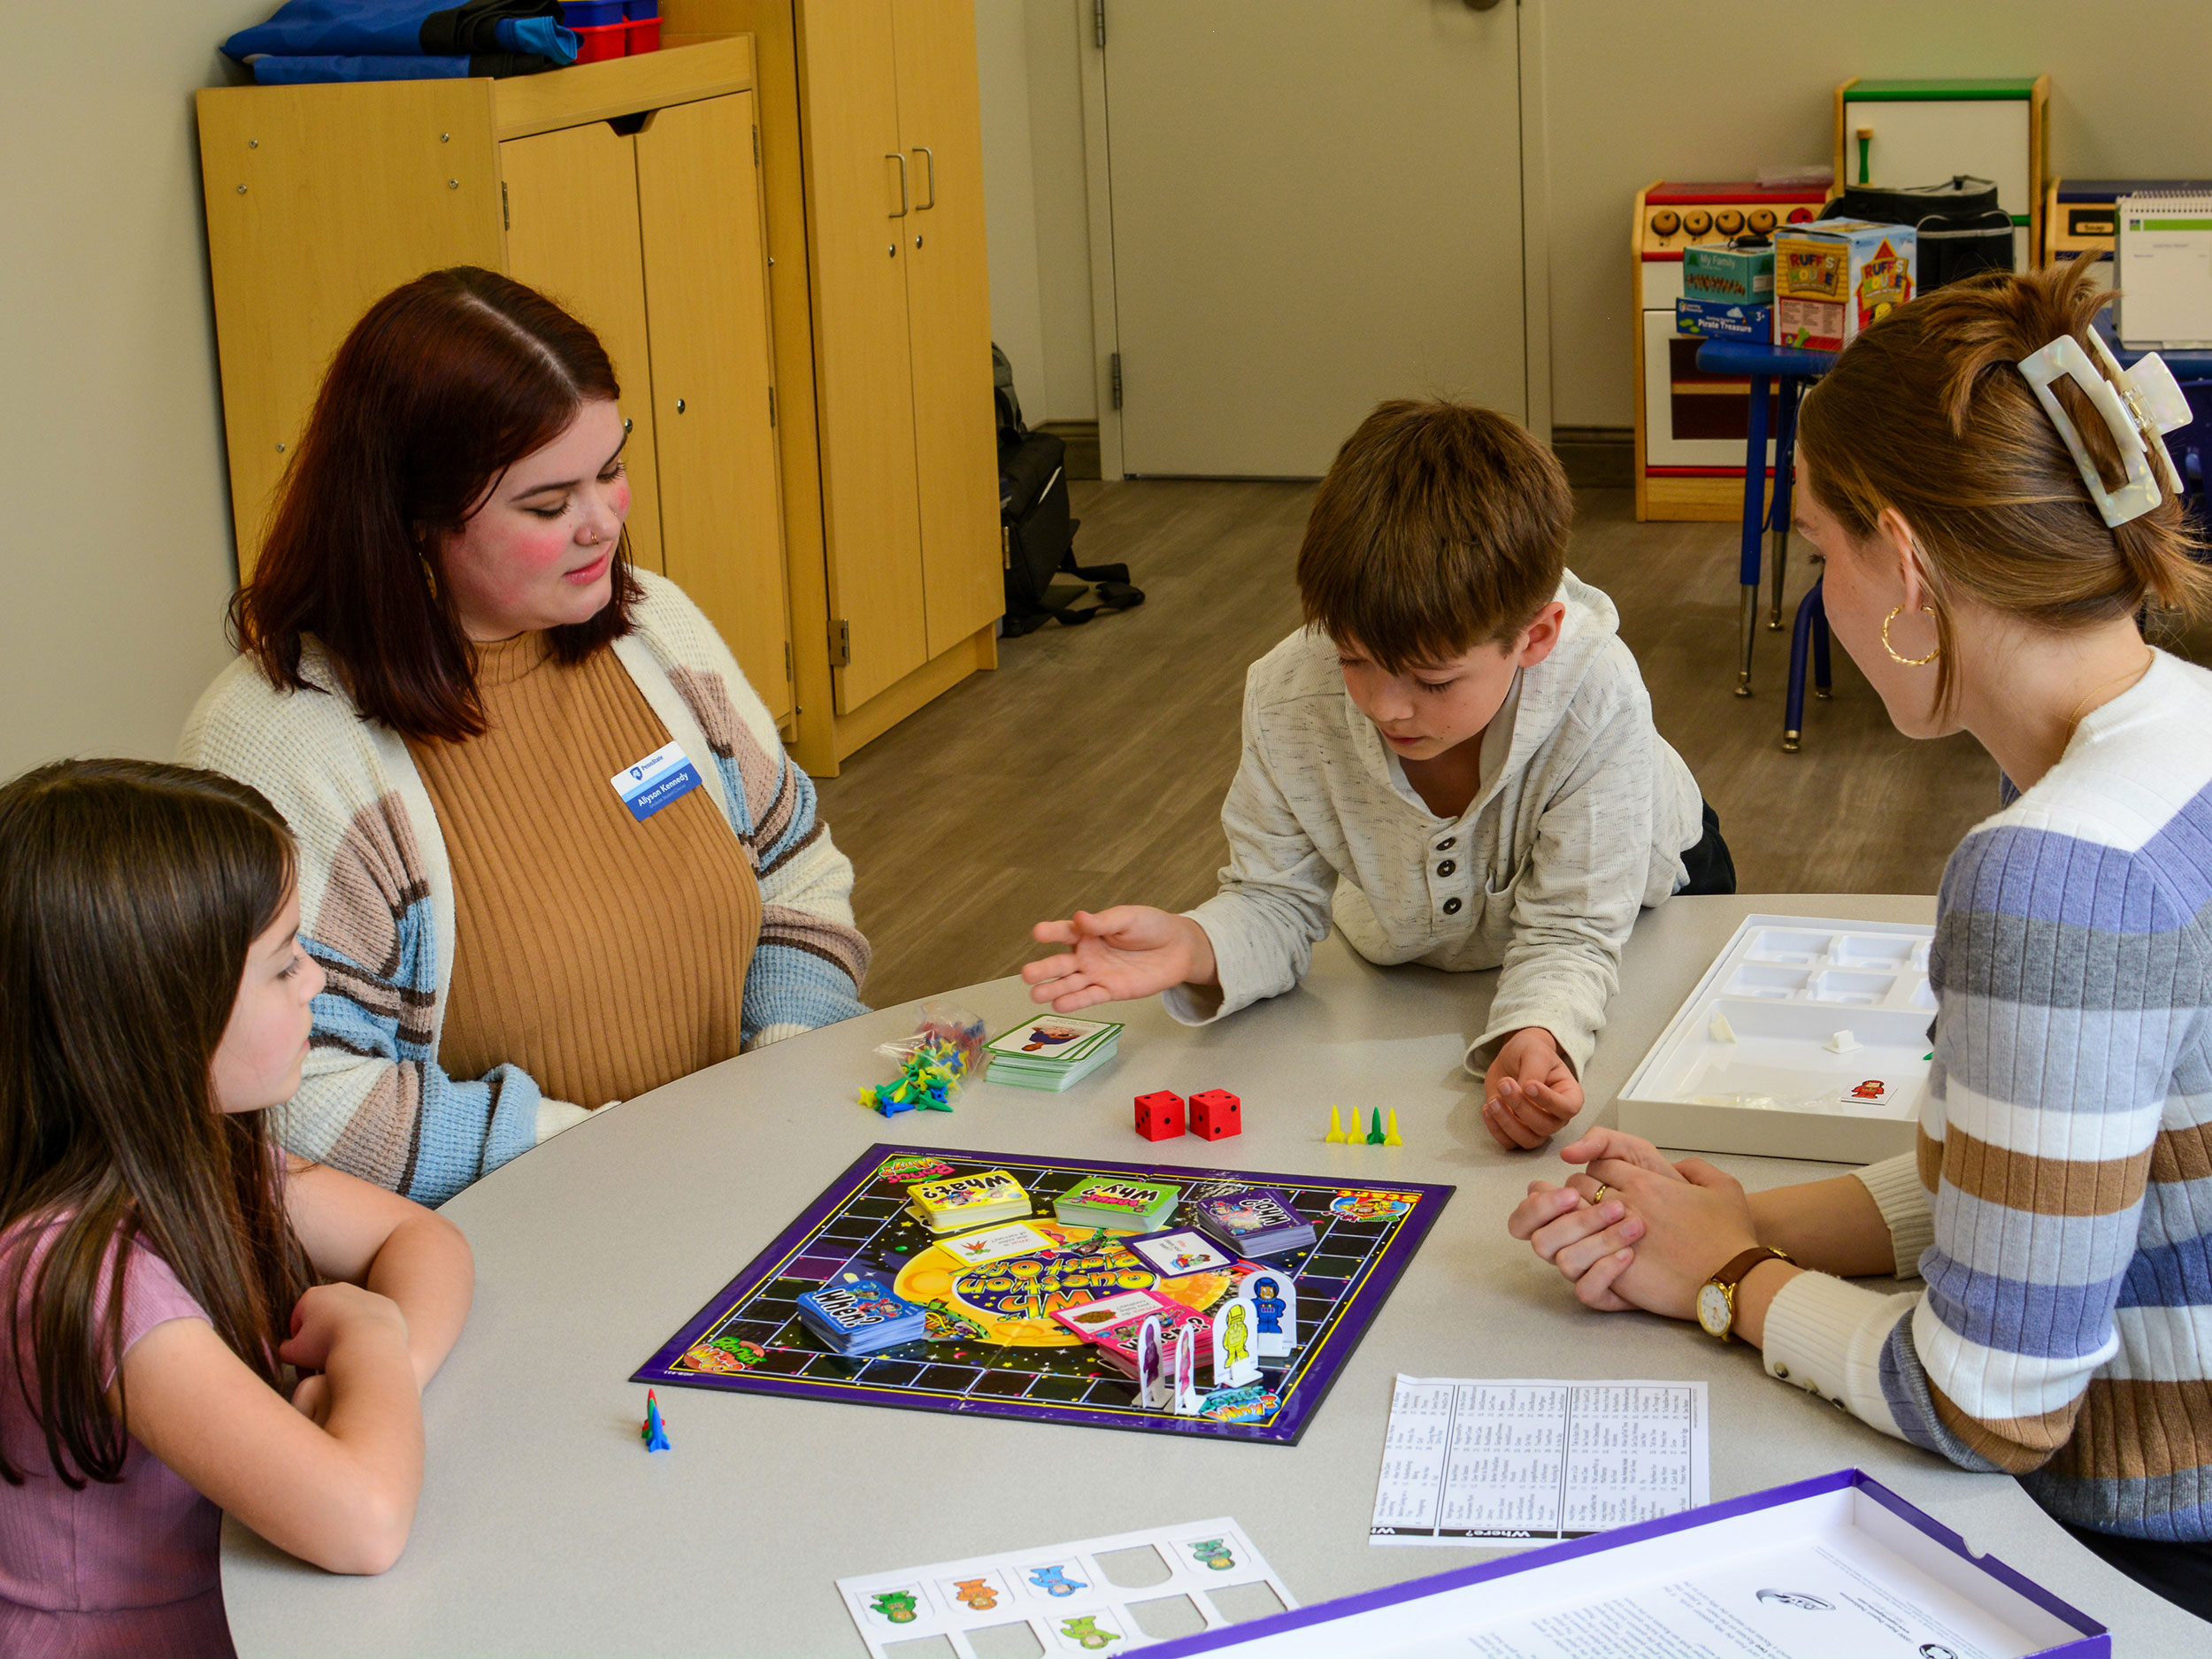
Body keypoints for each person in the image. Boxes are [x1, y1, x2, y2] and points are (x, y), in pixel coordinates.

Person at [1508, 262, 2212, 1620]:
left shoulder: (2057, 874)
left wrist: (1726, 1280)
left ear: (1906, 559)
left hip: (2141, 1552)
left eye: (1824, 553)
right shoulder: (2180, 725)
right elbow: (2055, 1178)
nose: (1824, 591)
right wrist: (1752, 1214)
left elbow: (1989, 1401)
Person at [182, 268, 869, 1206]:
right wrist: (601, 1149)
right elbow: (300, 1099)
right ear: (414, 525)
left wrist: (781, 1070)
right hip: (506, 1238)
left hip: (733, 1181)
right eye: (548, 506)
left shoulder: (654, 629)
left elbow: (796, 873)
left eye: (612, 470)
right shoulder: (284, 742)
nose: (604, 523)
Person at [1023, 400, 1732, 1151]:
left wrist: (1540, 1030)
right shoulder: (1288, 695)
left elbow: (1573, 927)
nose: (1387, 707)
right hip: (1424, 940)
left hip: (1653, 895)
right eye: (1354, 659)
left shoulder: (1596, 689)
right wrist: (1195, 944)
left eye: (1432, 681)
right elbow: (1277, 902)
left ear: (1536, 636)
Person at [0, 760, 473, 1655]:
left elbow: (425, 1238)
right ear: (161, 1017)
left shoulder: (204, 1158)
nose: (316, 984)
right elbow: (365, 1522)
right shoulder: (88, 1279)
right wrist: (368, 1341)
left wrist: (374, 1396)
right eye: (284, 962)